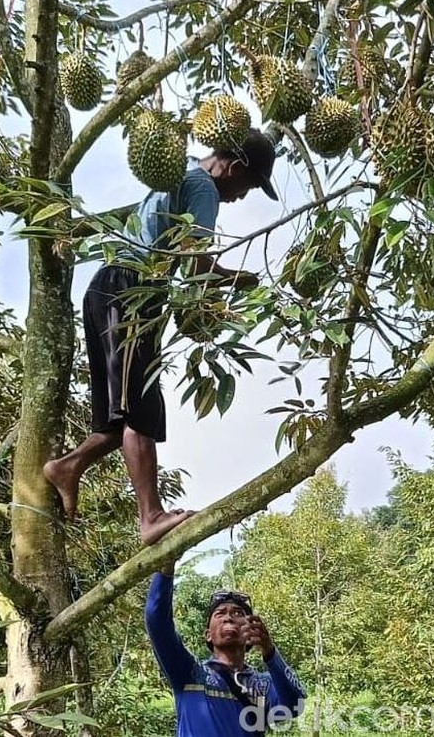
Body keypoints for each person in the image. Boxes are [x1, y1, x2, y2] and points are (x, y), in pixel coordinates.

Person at [44, 130, 279, 544]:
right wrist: (231, 279)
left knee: (120, 418)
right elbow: (194, 264)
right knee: (140, 411)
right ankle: (150, 517)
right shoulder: (204, 189)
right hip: (133, 291)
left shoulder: (182, 171)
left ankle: (67, 467)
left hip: (108, 288)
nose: (243, 197)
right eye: (250, 186)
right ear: (236, 168)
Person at [145, 566, 306, 736]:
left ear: (250, 631)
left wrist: (270, 652)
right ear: (208, 635)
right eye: (220, 613)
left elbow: (295, 705)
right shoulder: (189, 673)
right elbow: (157, 620)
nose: (228, 617)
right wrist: (166, 569)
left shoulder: (263, 685)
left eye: (238, 613)